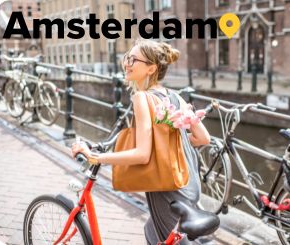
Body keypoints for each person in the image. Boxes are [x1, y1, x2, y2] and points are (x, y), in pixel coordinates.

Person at [71, 39, 210, 244]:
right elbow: (203, 138)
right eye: (127, 57)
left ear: (151, 68)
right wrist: (170, 139)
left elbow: (142, 154)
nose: (127, 63)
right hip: (189, 183)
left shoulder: (142, 98)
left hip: (168, 188)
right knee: (152, 231)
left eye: (133, 59)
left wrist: (95, 157)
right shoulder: (176, 97)